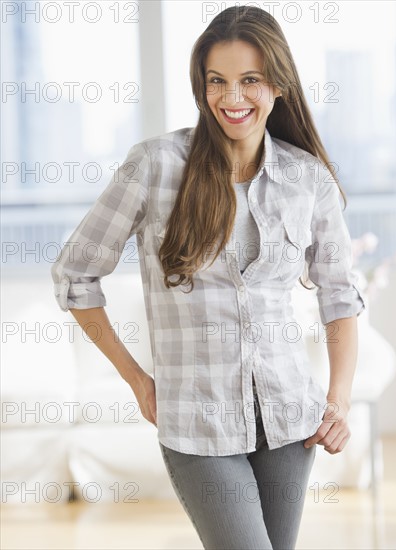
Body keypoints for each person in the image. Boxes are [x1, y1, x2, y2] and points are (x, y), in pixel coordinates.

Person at [51, 5, 365, 549]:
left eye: (250, 80)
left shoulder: (306, 177)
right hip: (197, 427)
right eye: (217, 81)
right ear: (201, 87)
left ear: (278, 86)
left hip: (291, 421)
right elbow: (76, 273)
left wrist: (337, 399)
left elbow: (339, 295)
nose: (232, 97)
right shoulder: (154, 165)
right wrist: (136, 379)